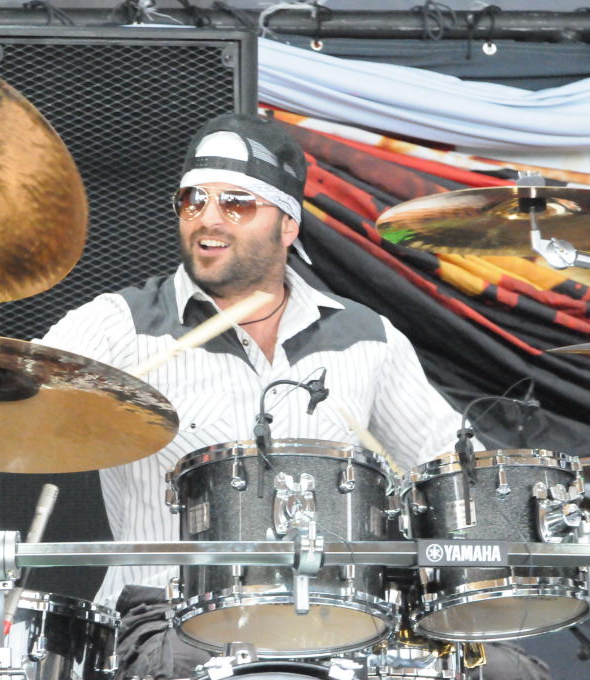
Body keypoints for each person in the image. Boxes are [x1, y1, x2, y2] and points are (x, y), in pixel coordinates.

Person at [37, 113, 546, 680]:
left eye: (236, 203)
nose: (208, 218)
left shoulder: (367, 337)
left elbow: (452, 474)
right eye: (192, 200)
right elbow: (20, 384)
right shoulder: (119, 324)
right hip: (168, 616)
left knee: (509, 671)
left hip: (343, 620)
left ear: (287, 225)